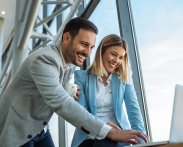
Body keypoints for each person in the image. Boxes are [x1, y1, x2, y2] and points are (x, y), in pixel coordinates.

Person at [0, 17, 148, 147]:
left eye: (91, 47)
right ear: (66, 38)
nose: (88, 52)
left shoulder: (70, 62)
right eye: (84, 44)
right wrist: (107, 130)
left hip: (40, 128)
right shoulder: (44, 60)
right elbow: (61, 102)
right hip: (17, 128)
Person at [71, 34, 147, 147]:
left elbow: (133, 110)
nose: (116, 61)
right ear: (102, 51)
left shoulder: (124, 78)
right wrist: (104, 128)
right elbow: (83, 114)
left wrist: (142, 142)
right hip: (89, 134)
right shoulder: (81, 77)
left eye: (121, 57)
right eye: (113, 54)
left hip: (118, 135)